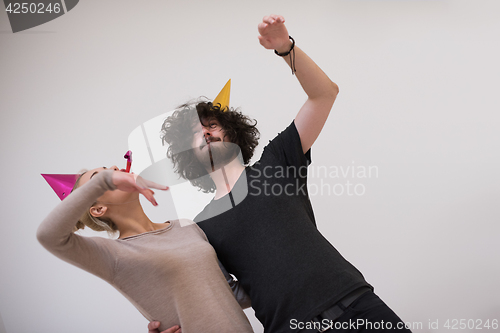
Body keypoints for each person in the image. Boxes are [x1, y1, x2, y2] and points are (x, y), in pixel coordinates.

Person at [150, 15, 412, 333]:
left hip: (358, 307)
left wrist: (285, 48)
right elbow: (224, 296)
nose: (205, 133)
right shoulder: (200, 227)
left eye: (211, 124)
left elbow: (324, 94)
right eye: (194, 132)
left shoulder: (276, 161)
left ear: (231, 131)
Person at [37, 166, 254, 333]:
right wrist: (104, 180)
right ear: (98, 209)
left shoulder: (186, 226)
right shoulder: (113, 255)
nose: (114, 169)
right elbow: (49, 236)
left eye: (110, 170)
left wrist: (282, 277)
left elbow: (232, 294)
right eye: (100, 178)